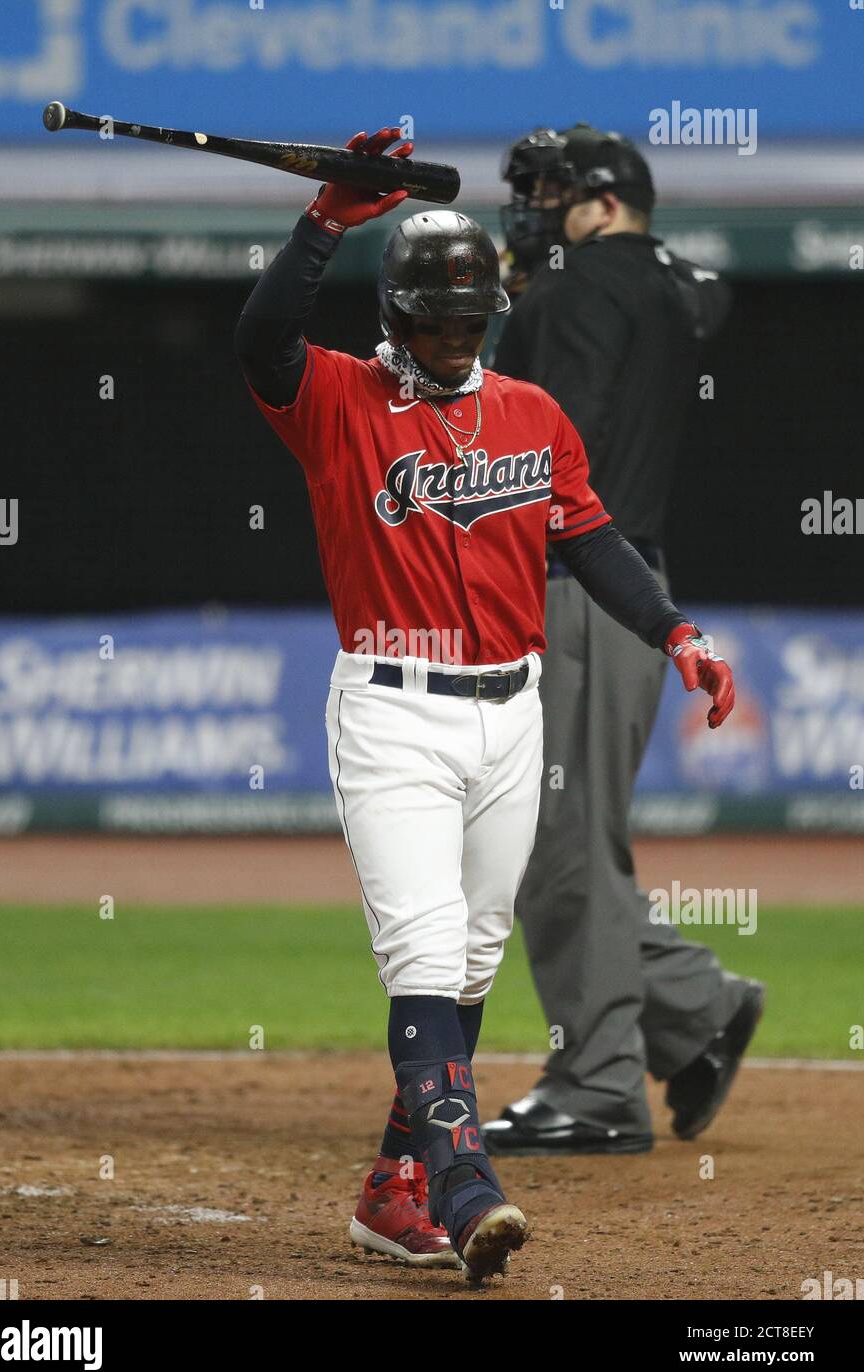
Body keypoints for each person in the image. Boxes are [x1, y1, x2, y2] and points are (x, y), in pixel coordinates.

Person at [234, 126, 735, 1279]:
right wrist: (323, 225)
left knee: (469, 960)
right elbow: (260, 340)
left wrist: (676, 630)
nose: (455, 342)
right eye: (435, 323)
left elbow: (595, 539)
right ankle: (460, 1181)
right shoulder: (340, 400)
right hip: (395, 706)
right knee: (419, 949)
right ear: (394, 319)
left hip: (512, 715)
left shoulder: (525, 410)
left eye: (471, 323)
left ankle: (387, 1192)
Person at [482, 124, 763, 1159]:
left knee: (556, 845)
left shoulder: (572, 290)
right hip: (625, 586)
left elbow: (553, 450)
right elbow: (703, 290)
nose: (532, 212)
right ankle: (695, 1008)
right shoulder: (663, 280)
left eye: (550, 194)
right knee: (558, 843)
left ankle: (598, 1082)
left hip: (575, 590)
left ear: (603, 203)